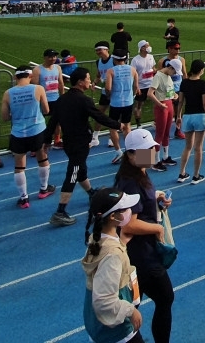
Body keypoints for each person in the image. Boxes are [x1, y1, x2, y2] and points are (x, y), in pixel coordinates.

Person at [114, 128, 173, 343]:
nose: (152, 153)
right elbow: (129, 225)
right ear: (130, 154)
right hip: (141, 255)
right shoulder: (131, 182)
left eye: (152, 148)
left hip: (140, 253)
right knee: (164, 297)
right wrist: (158, 229)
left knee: (136, 303)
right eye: (146, 150)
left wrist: (157, 198)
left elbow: (141, 201)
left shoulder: (139, 172)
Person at [45, 68, 121, 226]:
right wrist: (118, 125)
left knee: (80, 169)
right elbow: (99, 116)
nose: (90, 81)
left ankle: (91, 192)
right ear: (80, 82)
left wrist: (46, 141)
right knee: (73, 173)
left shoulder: (62, 99)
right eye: (88, 78)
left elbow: (53, 122)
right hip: (79, 143)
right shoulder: (84, 100)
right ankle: (60, 211)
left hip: (69, 142)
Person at [82, 189, 144, 343]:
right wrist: (131, 311)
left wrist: (121, 244)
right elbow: (104, 300)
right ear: (113, 216)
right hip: (117, 333)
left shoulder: (97, 239)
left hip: (97, 325)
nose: (130, 211)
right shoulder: (112, 255)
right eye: (125, 209)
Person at [1, 65, 53, 209]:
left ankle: (24, 198)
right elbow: (46, 110)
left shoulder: (8, 93)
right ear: (30, 76)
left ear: (15, 77)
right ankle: (43, 189)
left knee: (19, 166)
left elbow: (5, 117)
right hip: (37, 130)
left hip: (18, 133)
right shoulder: (38, 89)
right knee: (42, 159)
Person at [176, 59, 205, 184]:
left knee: (187, 146)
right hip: (200, 116)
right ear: (200, 70)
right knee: (198, 147)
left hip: (187, 116)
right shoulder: (203, 84)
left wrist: (178, 116)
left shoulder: (184, 83)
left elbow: (180, 101)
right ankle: (196, 175)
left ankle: (182, 173)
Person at [106, 50, 139, 164]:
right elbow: (136, 86)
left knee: (113, 127)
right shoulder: (132, 69)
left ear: (114, 59)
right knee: (127, 126)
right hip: (128, 102)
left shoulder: (111, 71)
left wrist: (109, 96)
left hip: (115, 103)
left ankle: (118, 151)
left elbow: (108, 88)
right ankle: (130, 151)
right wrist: (132, 95)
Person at [147, 60, 179, 172]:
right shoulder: (158, 76)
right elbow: (150, 93)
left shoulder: (168, 76)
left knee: (167, 133)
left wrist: (174, 95)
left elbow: (169, 91)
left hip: (169, 104)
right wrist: (159, 104)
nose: (175, 74)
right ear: (170, 68)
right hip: (162, 106)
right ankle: (155, 161)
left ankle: (165, 157)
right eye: (174, 71)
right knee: (159, 134)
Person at [33, 49, 65, 147]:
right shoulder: (37, 70)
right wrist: (38, 100)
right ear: (45, 57)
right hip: (43, 100)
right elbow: (35, 87)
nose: (53, 59)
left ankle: (57, 140)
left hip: (56, 99)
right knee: (39, 123)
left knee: (57, 121)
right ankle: (39, 143)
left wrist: (63, 96)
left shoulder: (57, 68)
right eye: (50, 57)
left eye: (54, 56)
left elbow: (60, 83)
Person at [131, 40, 156, 129]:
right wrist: (136, 86)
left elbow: (153, 68)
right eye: (147, 46)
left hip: (151, 85)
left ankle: (156, 121)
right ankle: (138, 124)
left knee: (156, 103)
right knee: (139, 105)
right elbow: (133, 74)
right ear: (142, 48)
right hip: (141, 86)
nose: (149, 47)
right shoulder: (135, 60)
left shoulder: (151, 57)